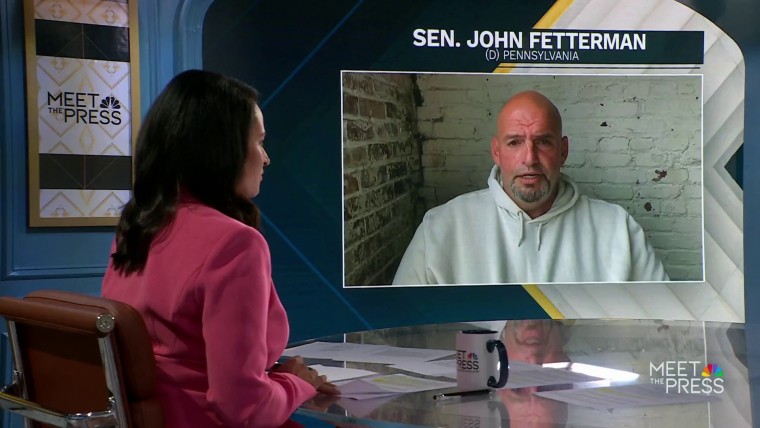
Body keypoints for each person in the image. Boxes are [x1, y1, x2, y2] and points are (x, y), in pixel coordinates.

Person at [102, 69, 338, 428]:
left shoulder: (136, 228)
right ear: (221, 150)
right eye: (259, 142)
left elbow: (183, 358)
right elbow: (244, 409)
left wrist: (275, 377)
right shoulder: (235, 244)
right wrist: (297, 383)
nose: (266, 158)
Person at [392, 90, 669, 285]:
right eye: (515, 142)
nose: (529, 158)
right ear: (496, 152)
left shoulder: (618, 229)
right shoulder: (439, 229)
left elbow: (663, 325)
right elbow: (400, 332)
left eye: (543, 142)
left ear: (563, 151)